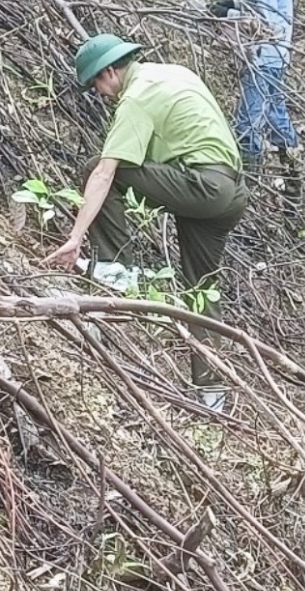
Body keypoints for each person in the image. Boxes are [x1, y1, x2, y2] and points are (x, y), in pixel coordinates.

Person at [44, 34, 248, 409]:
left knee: (98, 168)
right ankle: (213, 395)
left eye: (97, 85)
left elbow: (106, 172)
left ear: (109, 71)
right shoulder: (172, 73)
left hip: (202, 185)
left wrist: (76, 236)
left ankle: (115, 269)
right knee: (199, 289)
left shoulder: (136, 96)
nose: (101, 94)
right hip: (230, 192)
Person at [227, 0, 302, 212]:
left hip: (264, 57)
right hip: (275, 55)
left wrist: (229, 17)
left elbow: (267, 23)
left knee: (246, 125)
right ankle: (294, 178)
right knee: (275, 116)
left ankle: (245, 197)